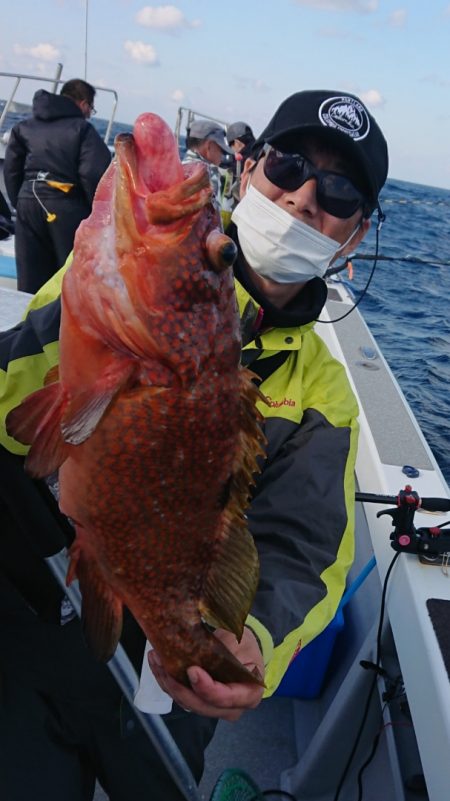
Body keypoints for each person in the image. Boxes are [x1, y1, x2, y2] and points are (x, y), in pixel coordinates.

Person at [0, 88, 388, 800]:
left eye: (337, 190)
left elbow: (307, 546)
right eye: (289, 163)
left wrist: (256, 640)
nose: (304, 197)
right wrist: (88, 334)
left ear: (354, 235)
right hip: (41, 584)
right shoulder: (107, 280)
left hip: (169, 648)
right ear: (248, 172)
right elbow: (8, 408)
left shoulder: (325, 393)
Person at [3, 78, 111, 294]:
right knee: (69, 279)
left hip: (27, 203)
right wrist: (95, 216)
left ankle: (27, 324)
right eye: (91, 108)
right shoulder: (83, 130)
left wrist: (21, 202)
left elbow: (11, 170)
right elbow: (93, 174)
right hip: (66, 206)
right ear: (83, 104)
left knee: (29, 281)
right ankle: (58, 326)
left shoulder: (23, 127)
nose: (90, 114)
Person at [182, 119, 233, 215]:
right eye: (221, 150)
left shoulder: (182, 167)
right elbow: (211, 218)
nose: (222, 157)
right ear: (209, 146)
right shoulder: (208, 175)